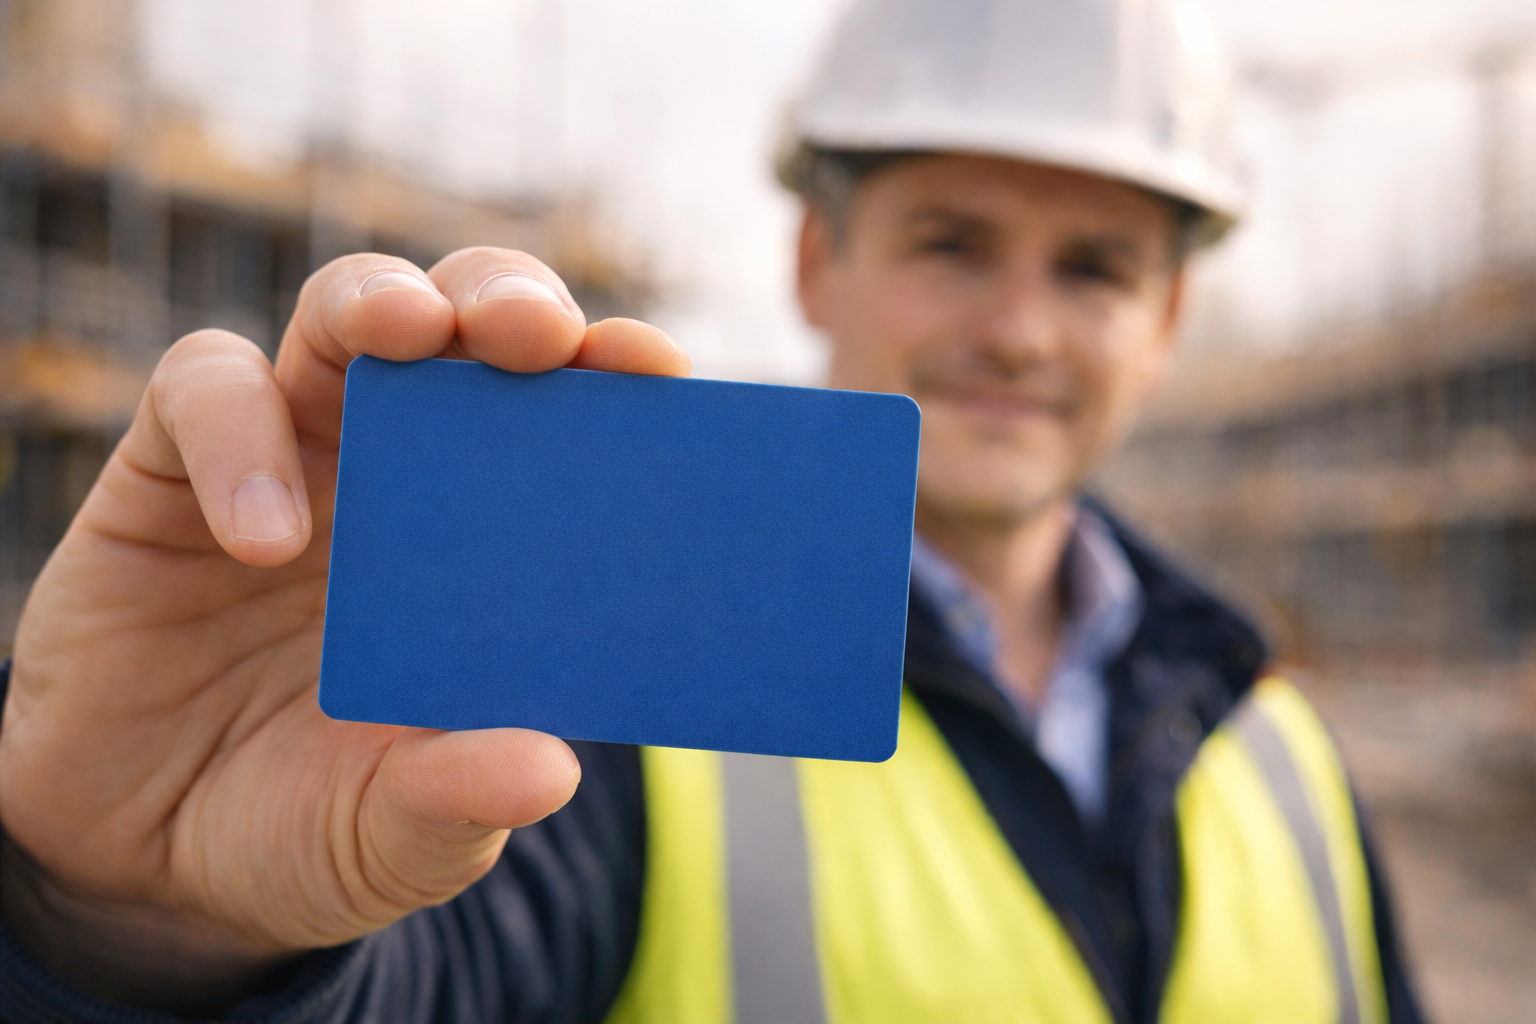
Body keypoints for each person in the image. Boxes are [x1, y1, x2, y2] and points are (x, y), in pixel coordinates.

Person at [0, 0, 1425, 1021]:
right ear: (814, 261)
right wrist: (134, 931)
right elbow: (433, 974)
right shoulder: (617, 676)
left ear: (1167, 320)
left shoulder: (1283, 749)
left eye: (1094, 269)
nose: (1019, 331)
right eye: (951, 243)